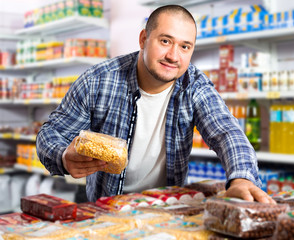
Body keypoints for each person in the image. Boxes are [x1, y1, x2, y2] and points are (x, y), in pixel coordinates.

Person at [36, 4, 275, 204]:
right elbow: (51, 133)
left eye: (185, 46)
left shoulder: (194, 85)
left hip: (167, 210)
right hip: (107, 212)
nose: (174, 55)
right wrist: (64, 156)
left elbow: (226, 132)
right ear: (144, 39)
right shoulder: (98, 80)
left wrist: (241, 178)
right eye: (165, 41)